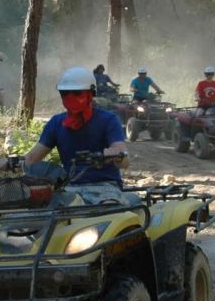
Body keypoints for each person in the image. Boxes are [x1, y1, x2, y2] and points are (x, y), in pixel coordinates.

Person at [23, 67, 133, 205]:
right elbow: (32, 158)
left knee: (107, 212)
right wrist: (10, 163)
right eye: (65, 93)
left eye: (77, 93)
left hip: (104, 187)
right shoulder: (56, 123)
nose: (70, 97)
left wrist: (113, 154)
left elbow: (124, 159)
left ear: (90, 94)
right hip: (69, 188)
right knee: (40, 214)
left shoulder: (108, 120)